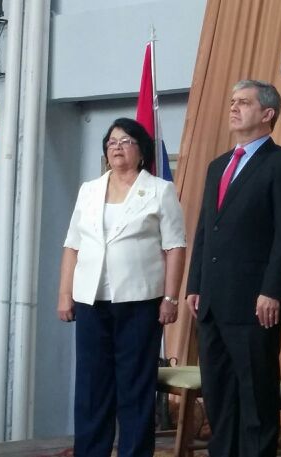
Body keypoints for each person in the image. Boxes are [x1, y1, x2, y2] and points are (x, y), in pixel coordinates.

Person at [186, 80, 281, 457]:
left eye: (244, 103)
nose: (234, 108)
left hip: (255, 303)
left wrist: (272, 289)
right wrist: (195, 284)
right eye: (232, 101)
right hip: (213, 302)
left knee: (255, 399)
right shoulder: (218, 164)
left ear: (267, 114)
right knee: (219, 400)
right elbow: (206, 229)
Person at [57, 117, 186, 457]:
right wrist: (64, 294)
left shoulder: (159, 190)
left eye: (126, 140)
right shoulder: (89, 190)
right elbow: (72, 245)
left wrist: (171, 298)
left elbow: (175, 247)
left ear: (142, 151)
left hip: (139, 302)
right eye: (111, 141)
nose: (117, 146)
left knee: (134, 387)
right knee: (91, 387)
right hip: (91, 301)